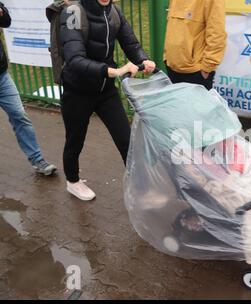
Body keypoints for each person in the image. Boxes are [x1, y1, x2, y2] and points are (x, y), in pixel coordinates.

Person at [59, 0, 155, 201]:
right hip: (78, 91)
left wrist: (142, 59)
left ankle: (141, 187)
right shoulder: (73, 13)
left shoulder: (114, 12)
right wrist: (115, 71)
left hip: (106, 91)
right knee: (75, 140)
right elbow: (74, 59)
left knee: (126, 140)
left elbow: (131, 44)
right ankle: (73, 181)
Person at [0, 2, 57, 176]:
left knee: (19, 115)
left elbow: (6, 22)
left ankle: (37, 159)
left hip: (1, 76)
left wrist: (1, 12)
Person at [164, 0, 227, 90]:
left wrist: (207, 68)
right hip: (172, 66)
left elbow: (217, 34)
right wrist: (167, 57)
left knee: (197, 104)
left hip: (195, 71)